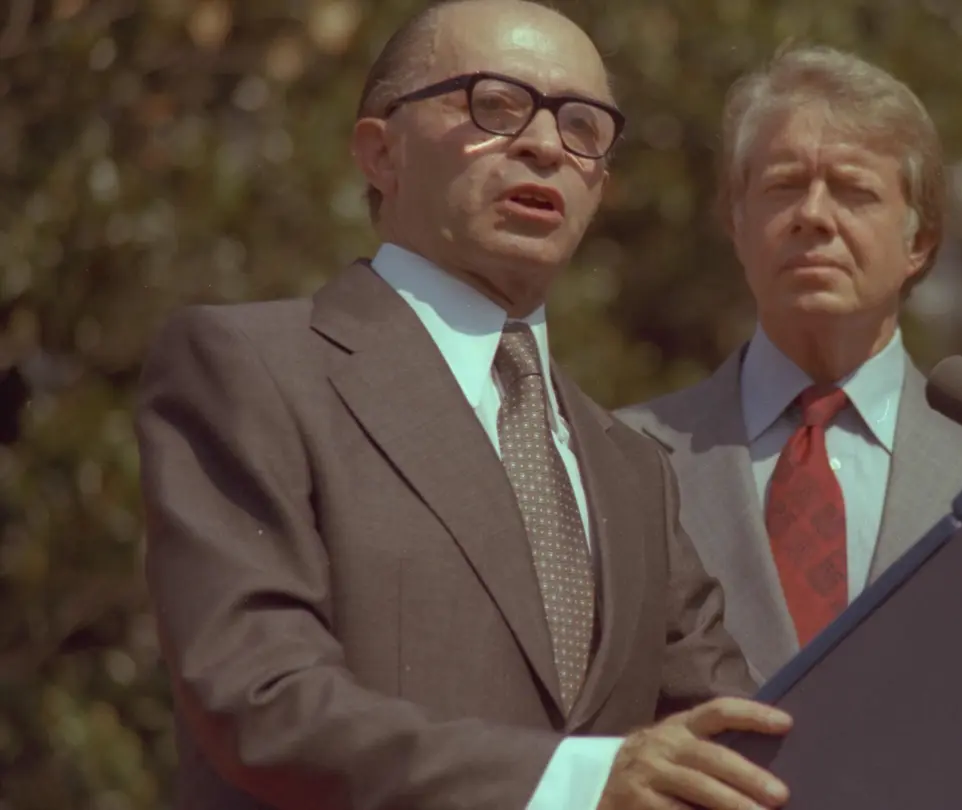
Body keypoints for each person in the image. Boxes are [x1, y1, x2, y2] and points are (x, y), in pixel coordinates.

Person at [133, 2, 792, 808]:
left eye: (583, 126)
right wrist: (576, 784)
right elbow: (259, 701)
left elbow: (743, 744)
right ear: (380, 151)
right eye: (496, 104)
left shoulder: (632, 467)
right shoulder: (255, 370)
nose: (545, 145)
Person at [618, 45, 962, 683]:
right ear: (735, 221)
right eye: (783, 186)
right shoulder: (622, 461)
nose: (814, 216)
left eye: (854, 191)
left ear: (920, 241)